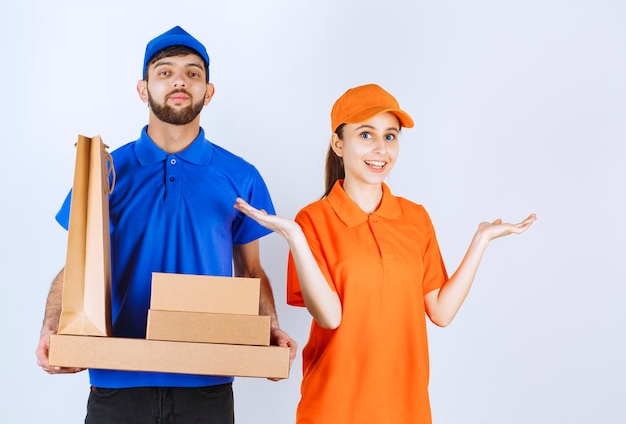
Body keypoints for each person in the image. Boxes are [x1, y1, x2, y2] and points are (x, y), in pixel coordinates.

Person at [36, 26, 297, 424]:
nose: (179, 80)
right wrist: (51, 324)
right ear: (143, 89)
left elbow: (250, 270)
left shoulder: (241, 176)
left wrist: (271, 328)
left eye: (193, 73)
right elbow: (78, 264)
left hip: (207, 385)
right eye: (165, 71)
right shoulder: (104, 171)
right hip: (117, 381)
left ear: (208, 92)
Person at [234, 83, 536, 423]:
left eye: (390, 136)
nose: (380, 149)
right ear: (338, 143)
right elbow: (329, 317)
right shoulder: (313, 220)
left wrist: (480, 241)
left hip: (406, 410)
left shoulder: (415, 218)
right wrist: (295, 237)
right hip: (334, 408)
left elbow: (441, 310)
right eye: (366, 135)